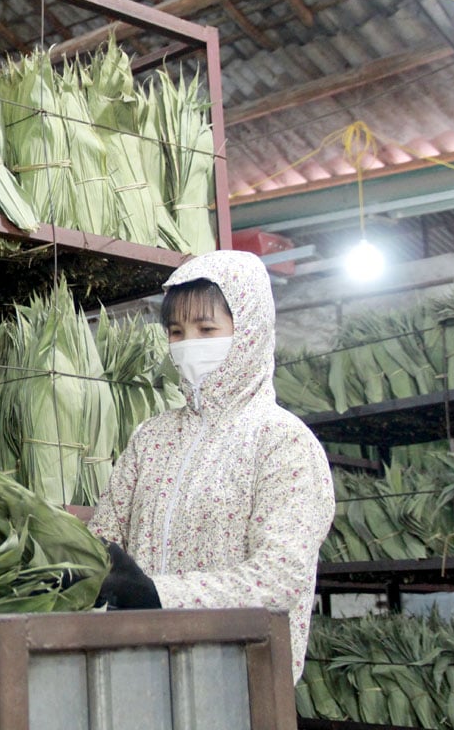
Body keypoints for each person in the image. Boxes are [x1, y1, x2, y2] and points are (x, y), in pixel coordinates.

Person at [88, 249, 335, 682]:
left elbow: (280, 578)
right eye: (176, 332)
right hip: (139, 670)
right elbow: (103, 540)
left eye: (207, 328)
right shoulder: (152, 439)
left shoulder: (283, 442)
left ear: (250, 331)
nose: (188, 346)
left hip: (236, 679)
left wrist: (159, 595)